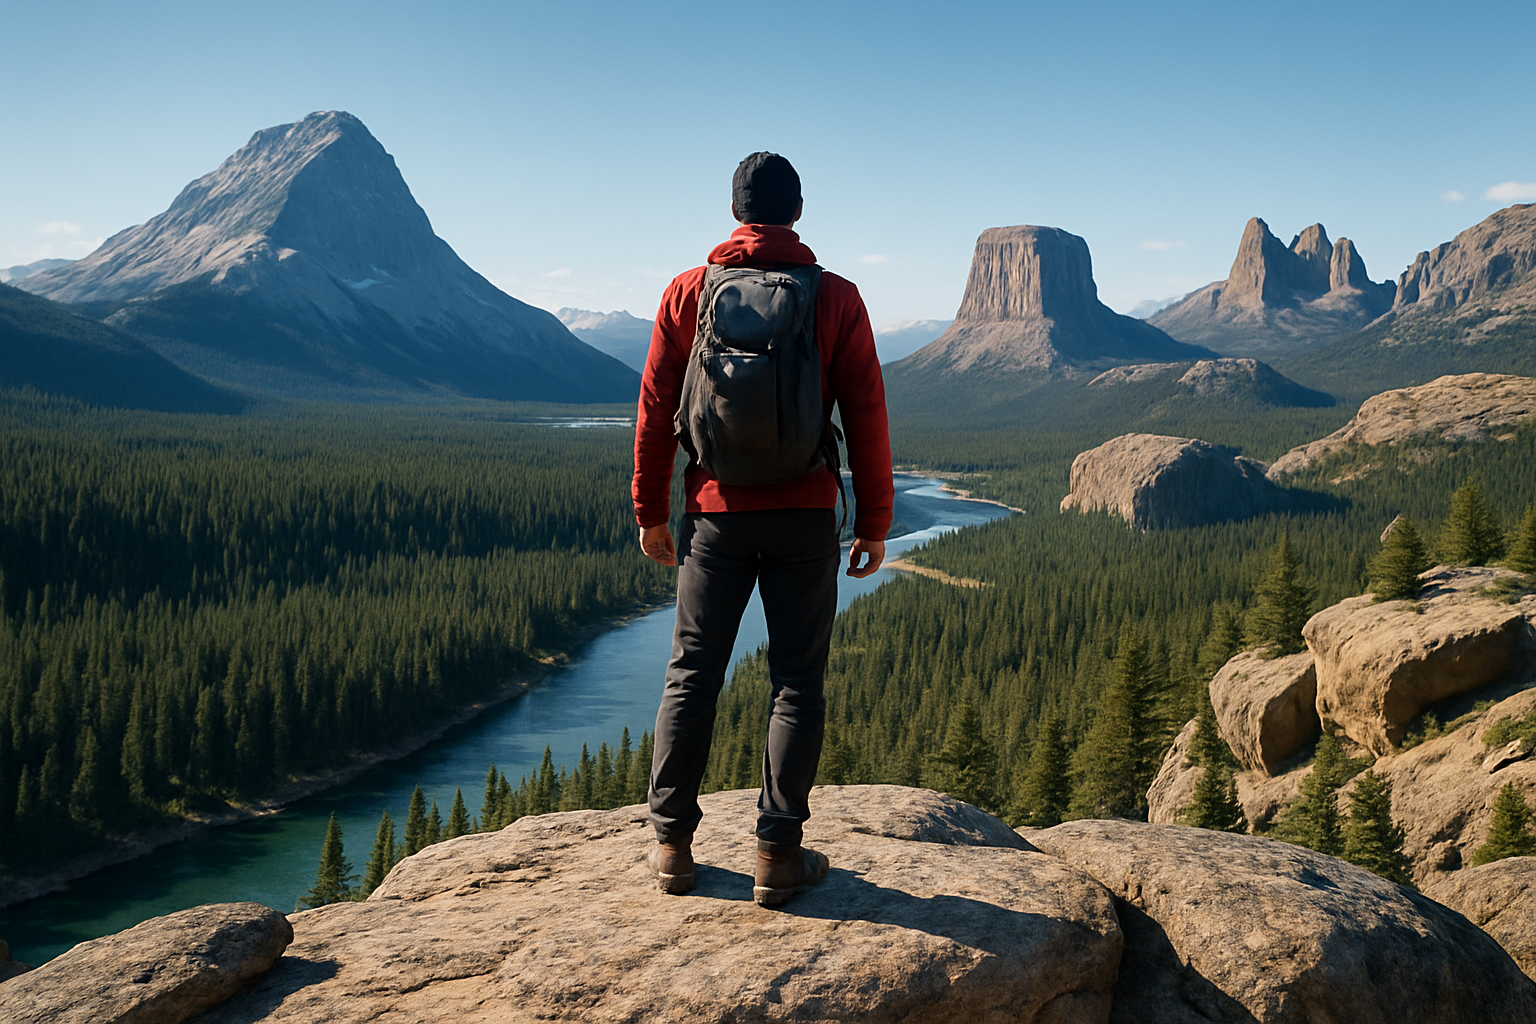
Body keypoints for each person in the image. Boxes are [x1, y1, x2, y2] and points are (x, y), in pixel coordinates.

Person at [632, 152, 894, 906]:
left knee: (692, 677)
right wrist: (873, 520)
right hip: (805, 516)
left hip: (713, 515)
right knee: (796, 684)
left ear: (737, 210)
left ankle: (672, 849)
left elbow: (656, 408)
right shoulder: (836, 297)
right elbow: (866, 414)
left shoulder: (688, 291)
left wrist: (652, 510)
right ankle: (777, 855)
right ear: (797, 211)